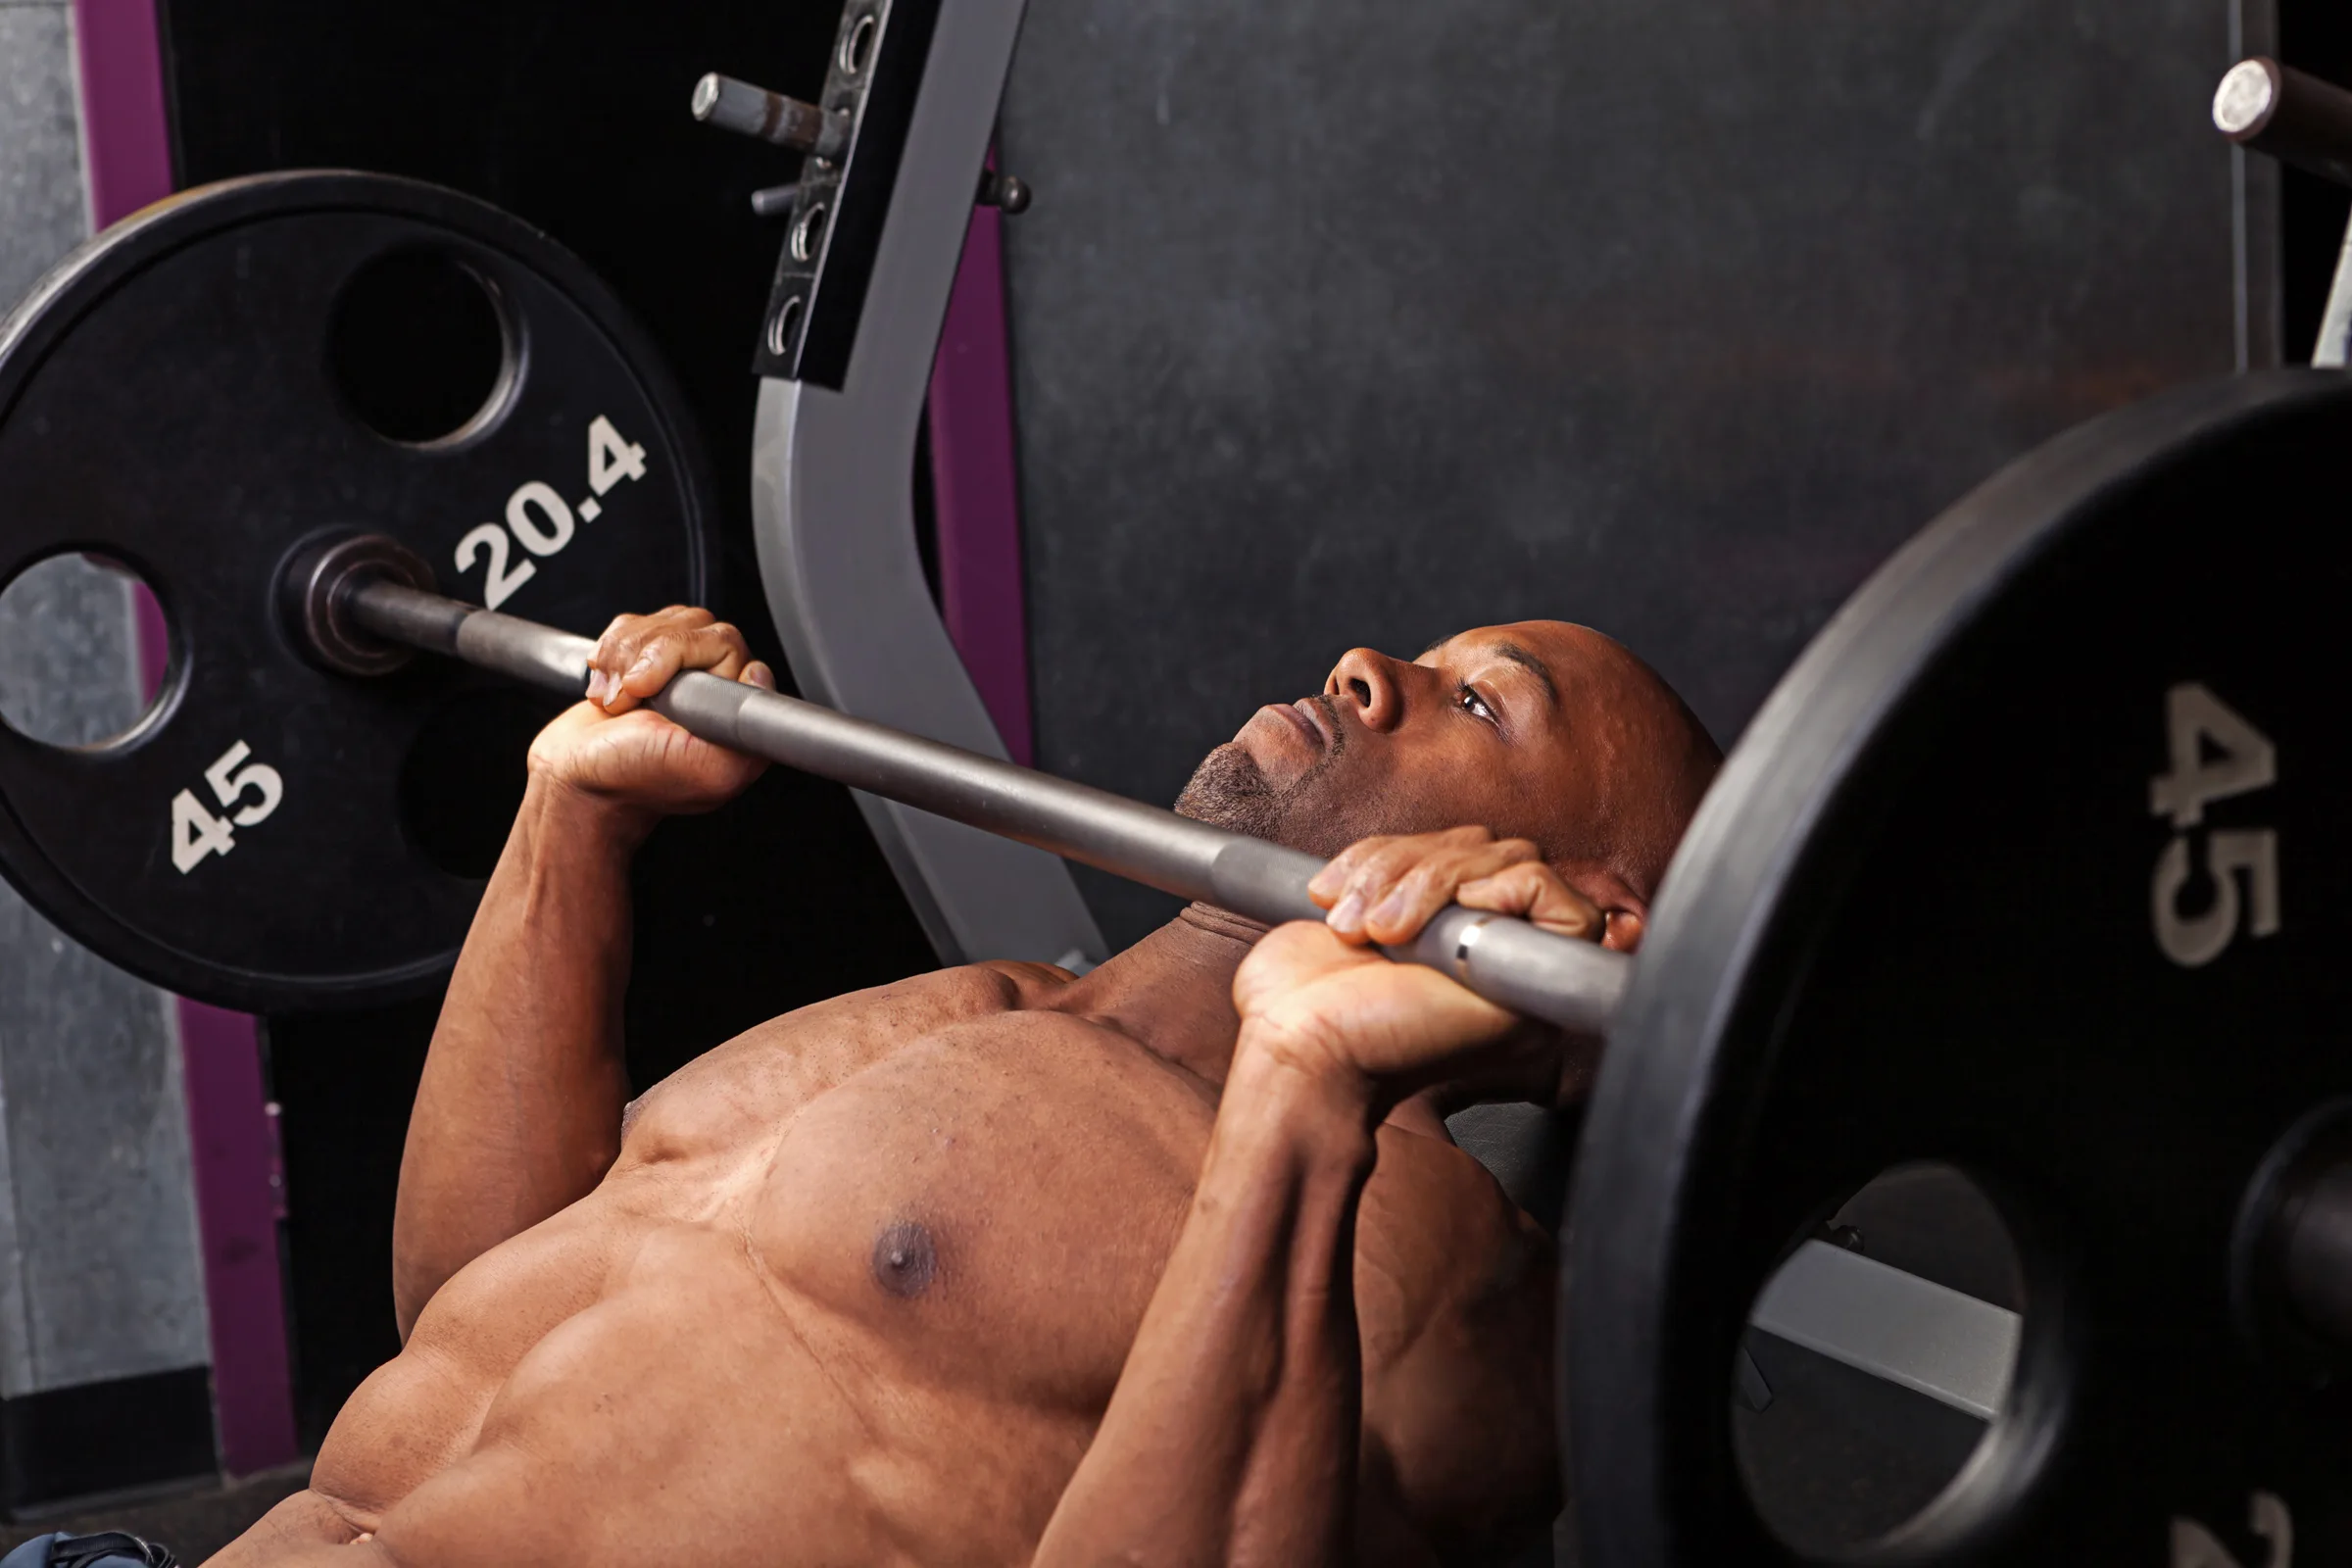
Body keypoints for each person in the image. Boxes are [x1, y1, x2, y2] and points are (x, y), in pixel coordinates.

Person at [209, 607, 1720, 1567]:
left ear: (1589, 909)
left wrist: (1309, 1083)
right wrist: (573, 823)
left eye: (1480, 707)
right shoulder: (975, 1009)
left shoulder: (1411, 1245)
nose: (1369, 670)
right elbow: (468, 1320)